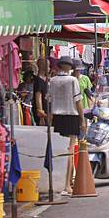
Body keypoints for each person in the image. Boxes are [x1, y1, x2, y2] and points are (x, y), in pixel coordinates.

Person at [48, 56, 85, 196]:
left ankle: (63, 182)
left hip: (57, 117)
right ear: (69, 67)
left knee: (58, 150)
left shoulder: (52, 81)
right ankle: (66, 185)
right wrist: (82, 120)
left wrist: (49, 118)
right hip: (71, 116)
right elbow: (78, 101)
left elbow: (49, 101)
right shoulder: (72, 80)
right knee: (69, 150)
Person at [33, 57, 49, 125]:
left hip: (46, 110)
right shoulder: (38, 81)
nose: (49, 68)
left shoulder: (45, 79)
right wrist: (41, 116)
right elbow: (38, 98)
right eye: (48, 65)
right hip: (42, 113)